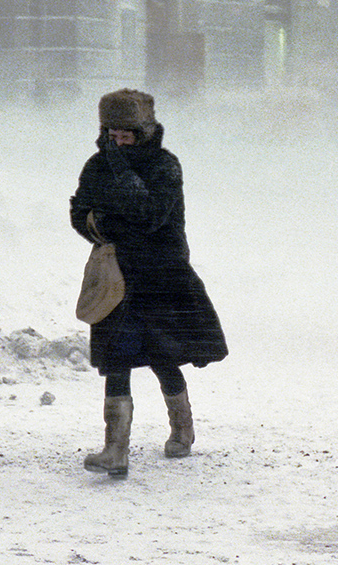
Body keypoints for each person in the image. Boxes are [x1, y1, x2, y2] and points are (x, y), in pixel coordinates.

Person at [69, 89, 228, 479]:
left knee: (162, 356)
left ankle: (182, 429)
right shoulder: (96, 165)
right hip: (117, 277)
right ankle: (116, 450)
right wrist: (102, 225)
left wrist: (120, 179)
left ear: (144, 131)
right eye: (112, 135)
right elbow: (79, 213)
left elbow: (152, 214)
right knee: (116, 358)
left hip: (162, 276)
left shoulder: (165, 166)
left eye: (126, 135)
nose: (118, 142)